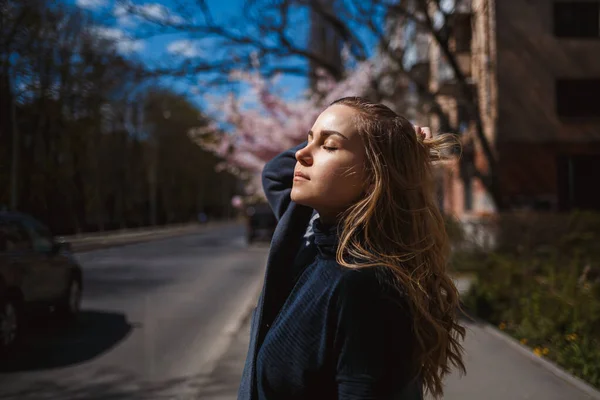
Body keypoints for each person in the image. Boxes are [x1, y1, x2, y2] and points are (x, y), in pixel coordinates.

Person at [238, 97, 466, 400]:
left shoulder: (365, 286)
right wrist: (395, 141)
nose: (302, 155)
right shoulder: (312, 245)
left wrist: (395, 144)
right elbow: (276, 174)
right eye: (308, 140)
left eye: (329, 146)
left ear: (374, 175)